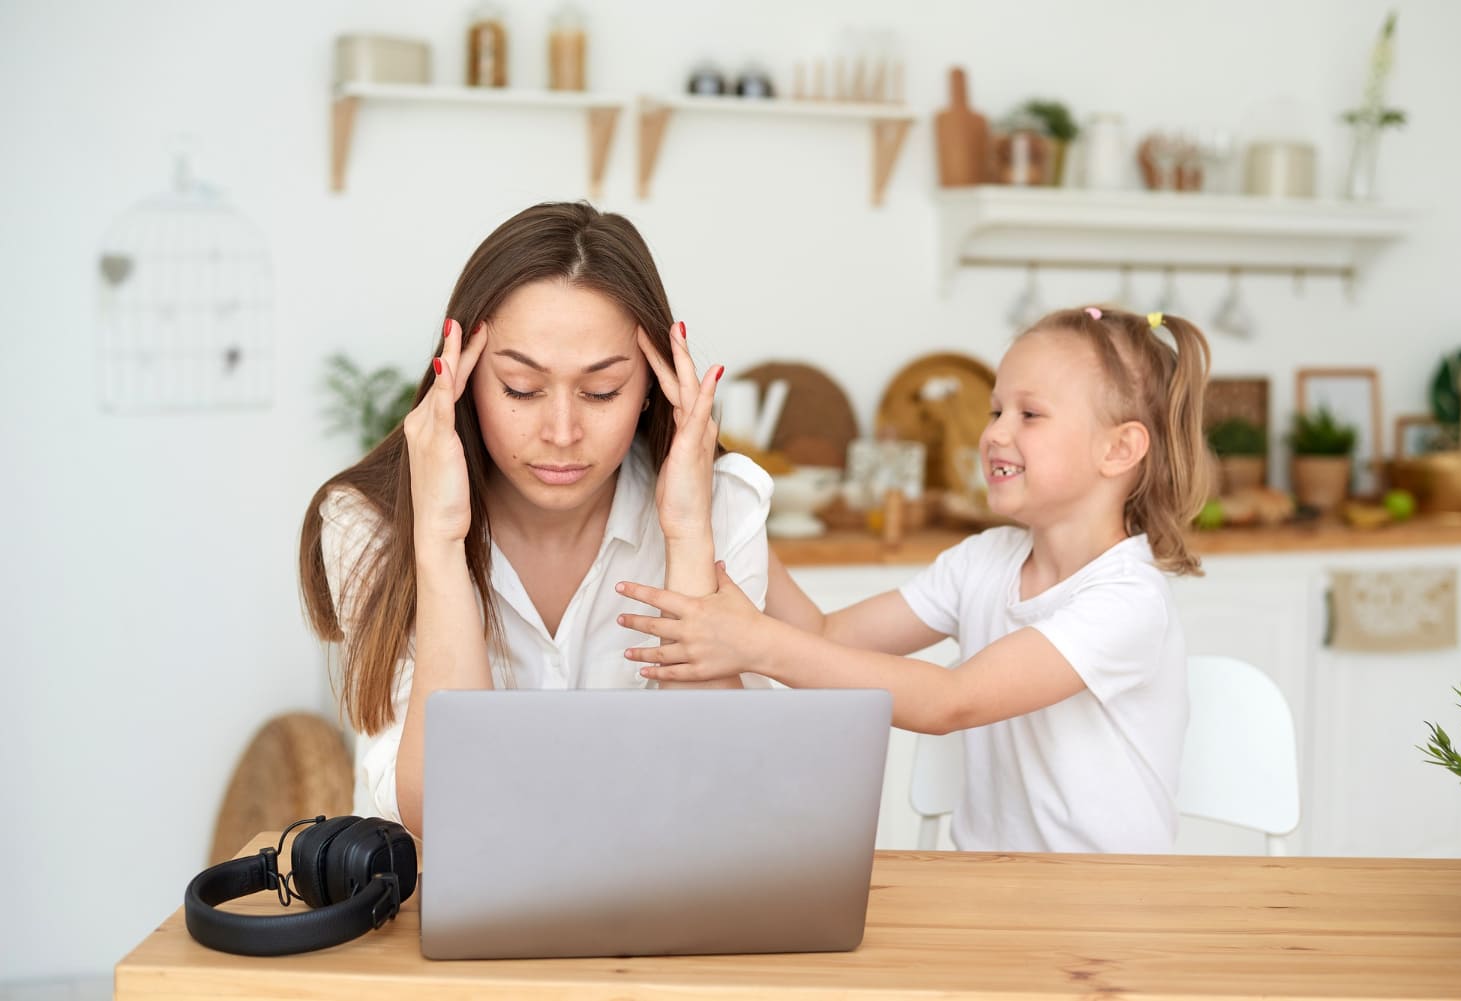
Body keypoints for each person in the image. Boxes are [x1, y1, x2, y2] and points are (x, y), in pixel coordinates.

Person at [616, 306, 1213, 853]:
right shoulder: (985, 561)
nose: (996, 433)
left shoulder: (1129, 600)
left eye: (1029, 414)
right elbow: (826, 635)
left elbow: (951, 702)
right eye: (996, 410)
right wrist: (718, 483)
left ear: (1120, 449)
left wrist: (756, 643)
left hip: (1108, 910)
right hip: (995, 896)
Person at [298, 201, 772, 837]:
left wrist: (688, 537)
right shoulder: (368, 526)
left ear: (655, 383)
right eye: (521, 388)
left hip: (658, 916)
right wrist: (439, 543)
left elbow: (718, 794)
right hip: (431, 918)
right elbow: (444, 816)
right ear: (461, 377)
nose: (562, 432)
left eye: (602, 391)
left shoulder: (723, 507)